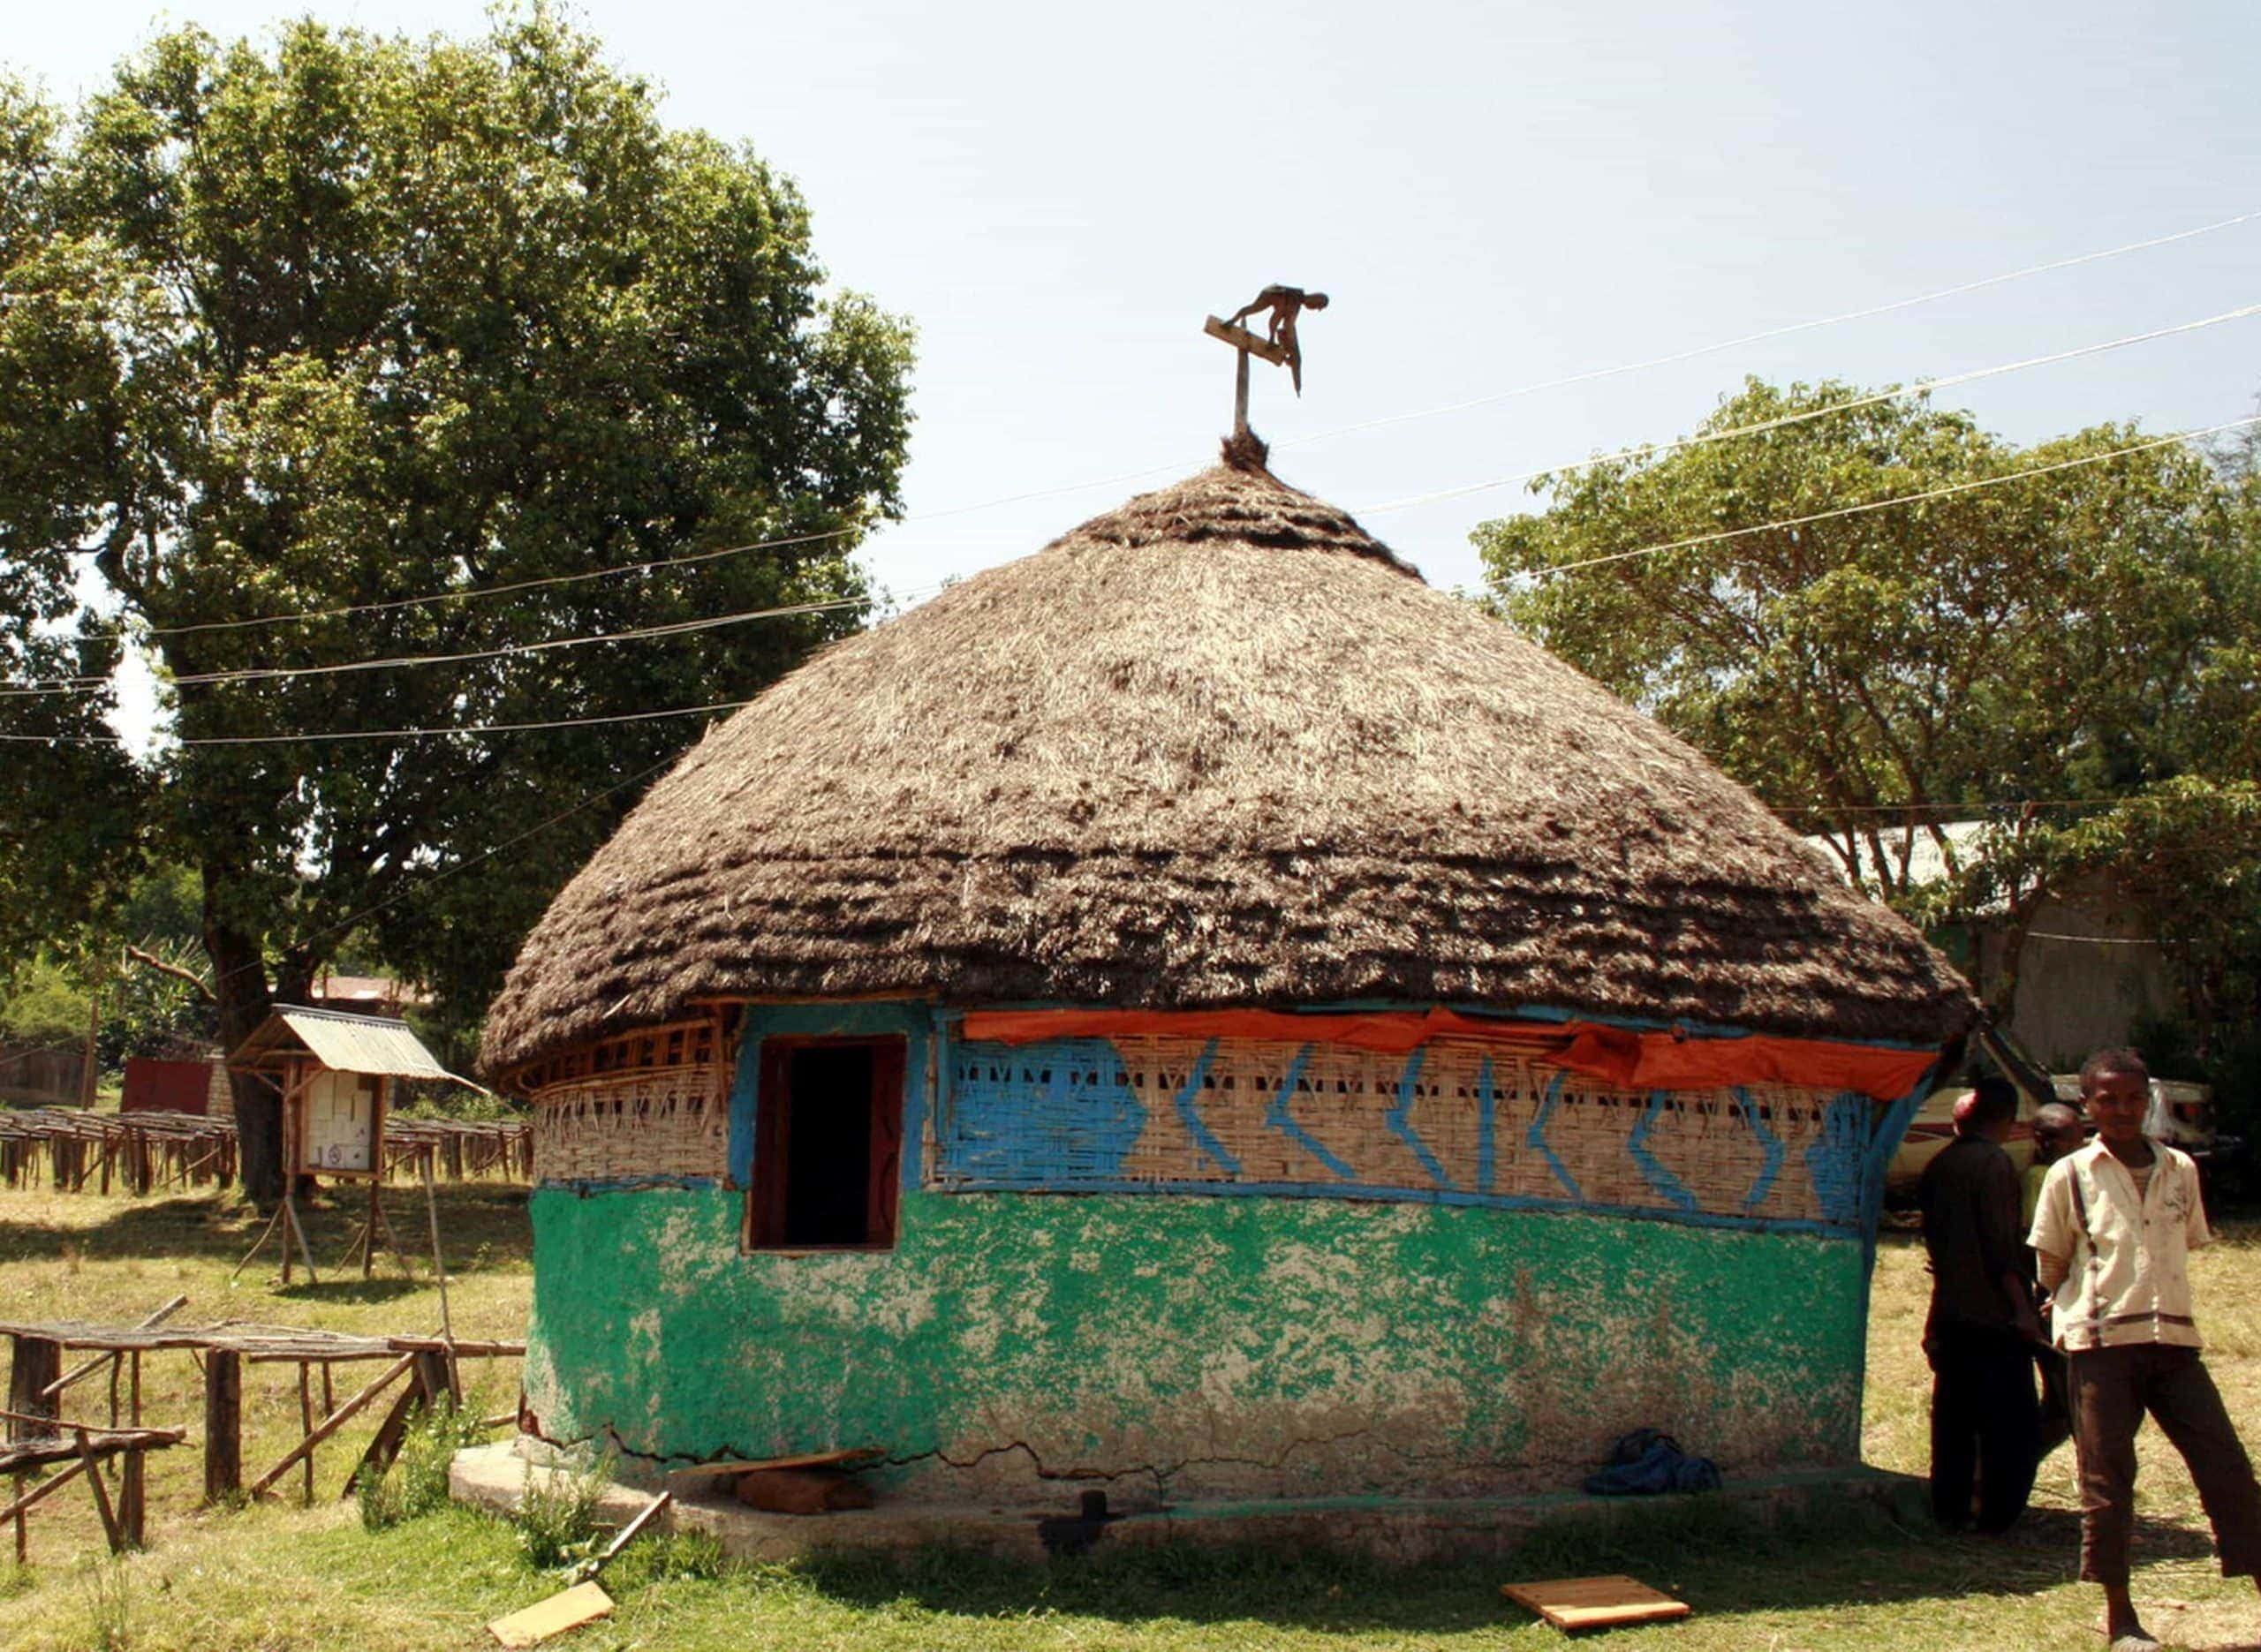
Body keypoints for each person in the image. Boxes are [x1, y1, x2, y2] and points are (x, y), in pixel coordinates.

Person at [2029, 1048, 2261, 1652]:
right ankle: (2121, 1617)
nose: (2123, 1109)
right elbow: (2051, 1260)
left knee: (2228, 1468)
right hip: (2102, 1345)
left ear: (2148, 1101)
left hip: (2173, 1342)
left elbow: (2185, 1241)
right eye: (2108, 1098)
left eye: (2134, 1098)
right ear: (2088, 1103)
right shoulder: (2070, 1174)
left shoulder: (2180, 1168)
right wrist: (2065, 1308)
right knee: (2108, 1480)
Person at [1919, 1075, 2044, 1532]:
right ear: (2009, 1122)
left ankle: (1951, 1509)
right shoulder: (1993, 1167)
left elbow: (1941, 1254)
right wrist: (2022, 1310)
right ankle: (1998, 1515)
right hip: (1993, 1318)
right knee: (2008, 1424)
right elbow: (2001, 1249)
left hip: (1953, 1314)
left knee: (1954, 1420)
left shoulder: (1939, 1165)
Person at [2026, 1100, 2087, 1459]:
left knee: (2063, 1406)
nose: (2077, 1148)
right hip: (2048, 1299)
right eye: (2069, 1141)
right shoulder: (2043, 1179)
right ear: (2043, 1140)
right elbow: (2038, 1245)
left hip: (2061, 1296)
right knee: (2069, 1402)